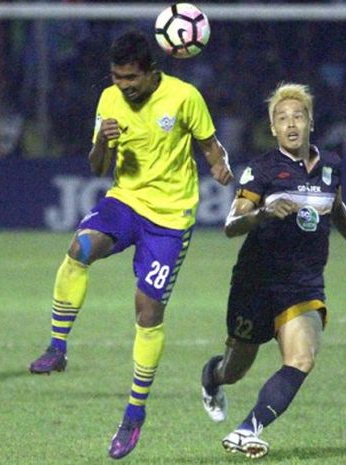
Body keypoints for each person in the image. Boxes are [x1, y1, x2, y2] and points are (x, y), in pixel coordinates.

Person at [26, 30, 232, 459]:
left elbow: (211, 147)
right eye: (117, 77)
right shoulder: (108, 100)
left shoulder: (184, 97)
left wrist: (220, 169)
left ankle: (134, 413)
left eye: (131, 78)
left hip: (170, 220)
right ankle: (57, 348)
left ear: (152, 73)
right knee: (80, 248)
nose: (124, 86)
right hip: (126, 201)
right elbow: (98, 166)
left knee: (148, 310)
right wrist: (103, 140)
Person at [200, 83, 346, 459]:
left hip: (303, 282)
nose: (291, 124)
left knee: (301, 359)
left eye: (298, 116)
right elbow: (232, 223)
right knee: (235, 370)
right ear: (273, 127)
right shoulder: (262, 169)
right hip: (257, 280)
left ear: (310, 121)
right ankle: (212, 377)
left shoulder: (330, 165)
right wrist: (264, 212)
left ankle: (247, 429)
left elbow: (338, 209)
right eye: (282, 119)